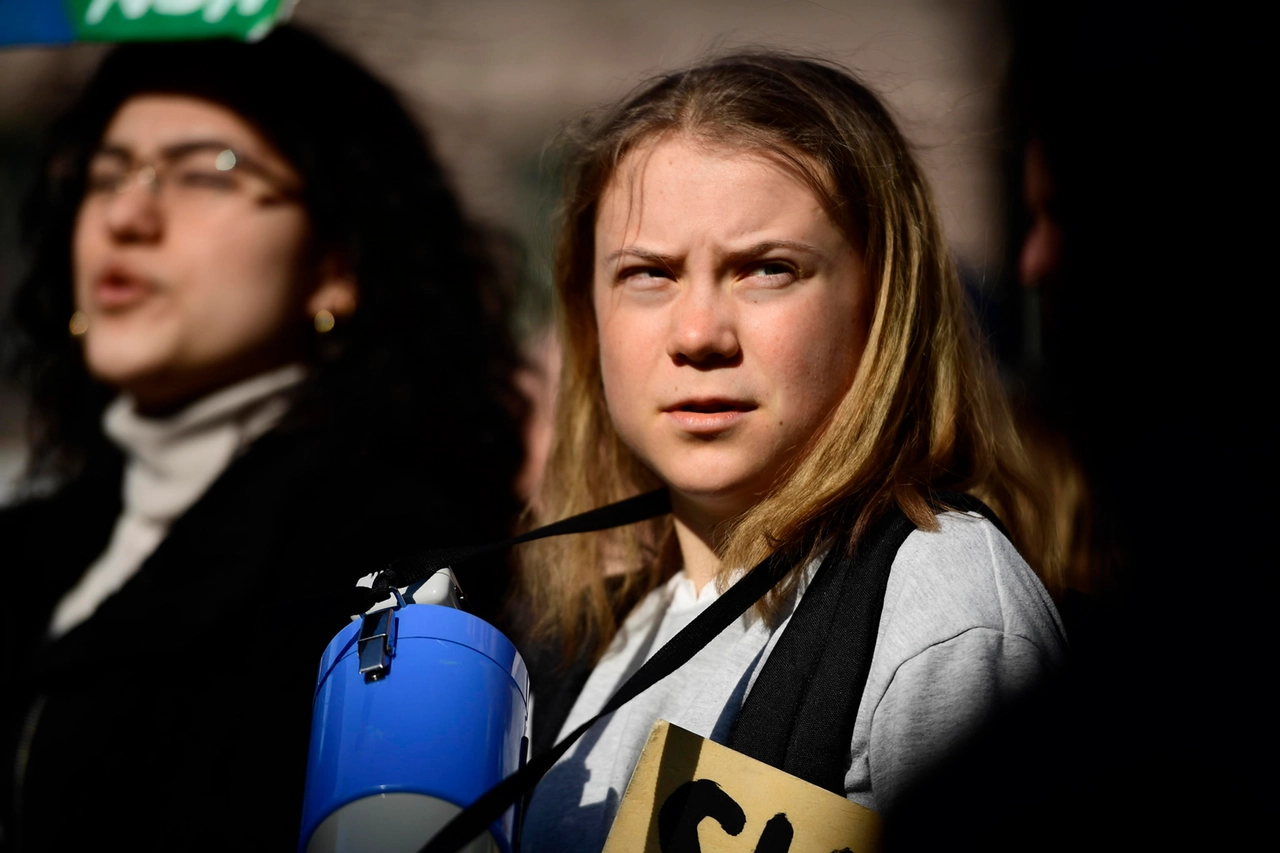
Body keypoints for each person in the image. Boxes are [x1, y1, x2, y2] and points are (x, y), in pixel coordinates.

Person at [515, 52, 1067, 850]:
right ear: (586, 310)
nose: (699, 333)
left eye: (767, 269)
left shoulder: (943, 608)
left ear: (881, 303)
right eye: (648, 274)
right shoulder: (605, 624)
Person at [0, 27, 525, 852]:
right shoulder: (39, 541)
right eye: (105, 175)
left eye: (208, 171)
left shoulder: (389, 562)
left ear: (337, 266)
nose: (128, 215)